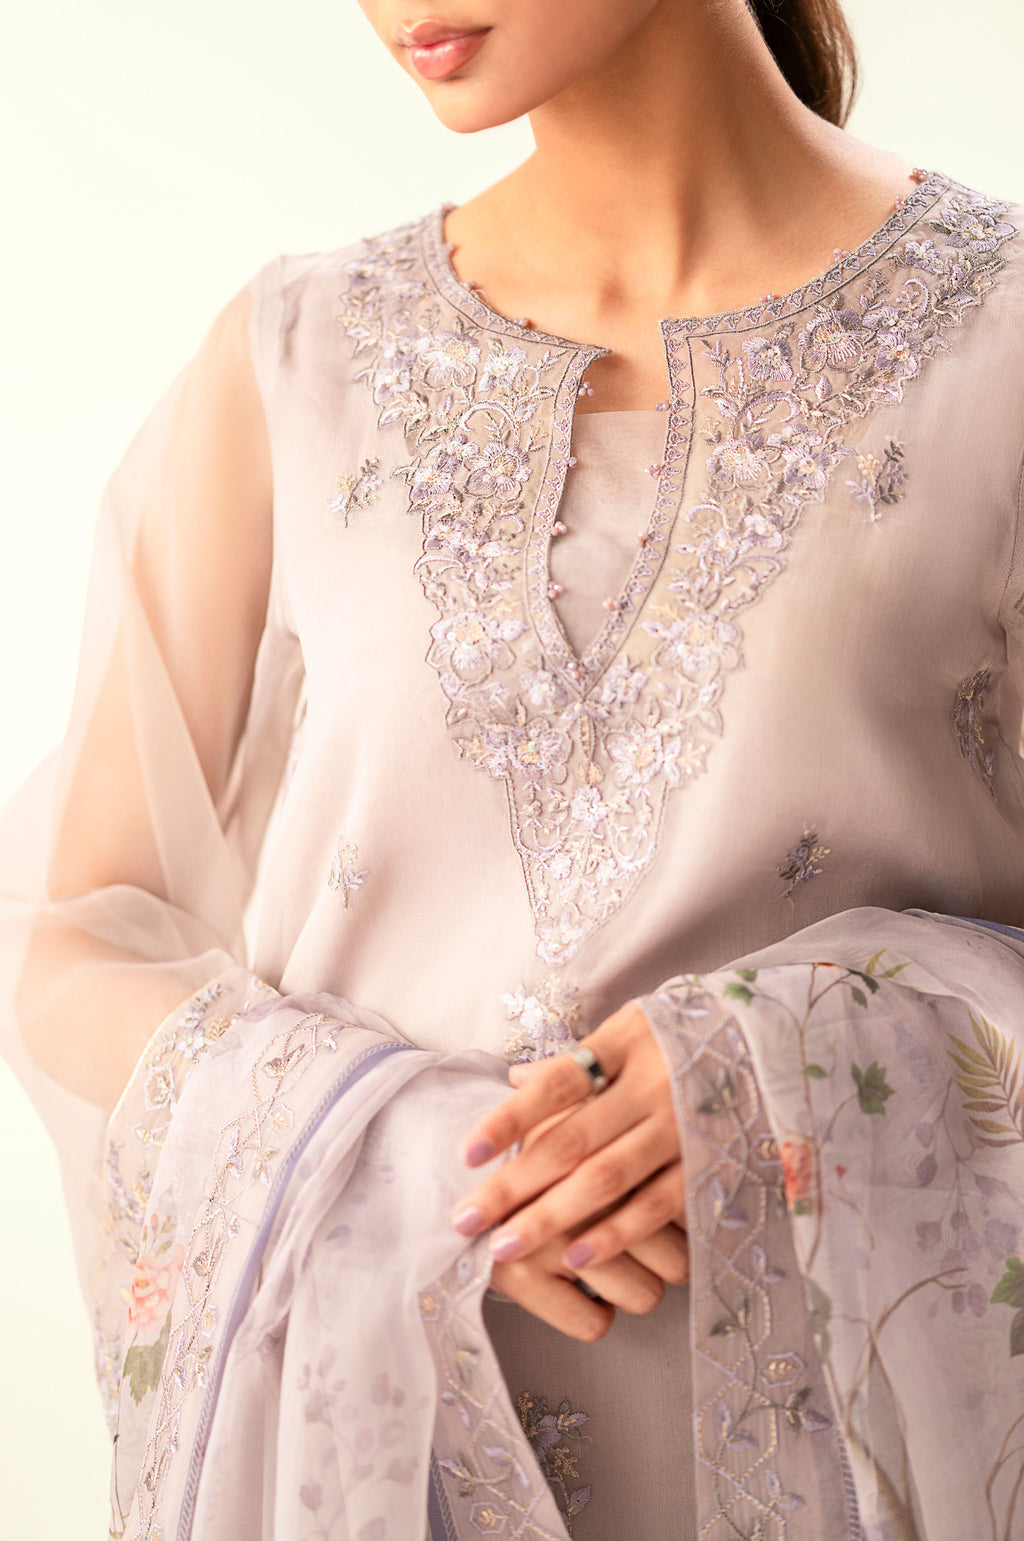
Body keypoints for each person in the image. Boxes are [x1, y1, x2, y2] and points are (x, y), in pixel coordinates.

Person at [2, 1, 1023, 1536]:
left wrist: (806, 1047)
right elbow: (70, 934)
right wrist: (397, 1147)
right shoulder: (299, 360)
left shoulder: (999, 342)